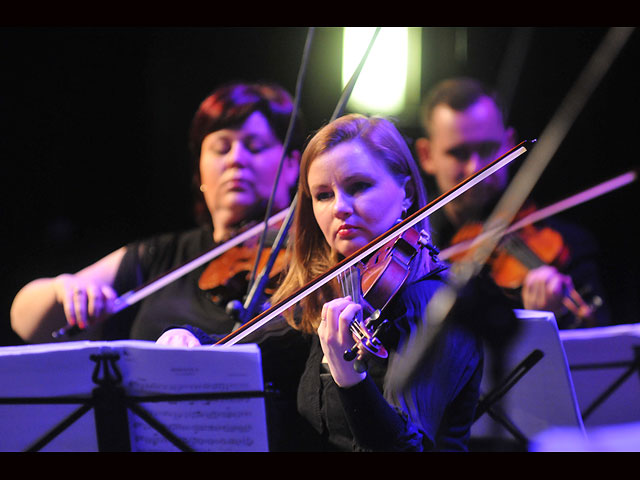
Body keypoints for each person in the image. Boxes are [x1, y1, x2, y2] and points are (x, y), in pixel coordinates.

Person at [160, 114, 485, 451]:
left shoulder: (438, 303)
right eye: (323, 195)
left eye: (359, 186)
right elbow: (256, 346)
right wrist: (191, 340)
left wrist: (350, 379)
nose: (340, 208)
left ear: (406, 193)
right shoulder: (332, 289)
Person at [10, 81, 304, 344]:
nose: (236, 159)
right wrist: (66, 287)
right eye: (221, 148)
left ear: (292, 164)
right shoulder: (161, 256)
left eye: (254, 147)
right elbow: (28, 324)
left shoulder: (307, 250)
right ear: (199, 168)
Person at [414, 77, 611, 329]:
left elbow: (600, 343)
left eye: (488, 149)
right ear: (426, 155)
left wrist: (546, 323)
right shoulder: (419, 251)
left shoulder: (570, 245)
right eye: (458, 153)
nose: (476, 168)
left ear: (509, 144)